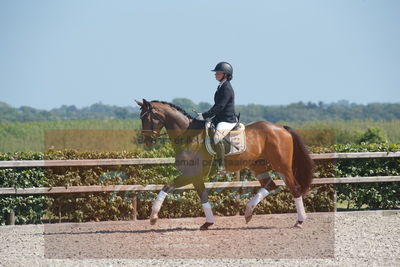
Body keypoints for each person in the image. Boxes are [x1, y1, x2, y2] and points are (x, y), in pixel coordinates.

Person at [202, 62, 237, 172]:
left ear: (225, 75)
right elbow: (216, 105)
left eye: (218, 72)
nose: (215, 74)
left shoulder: (226, 88)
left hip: (227, 120)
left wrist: (205, 115)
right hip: (219, 118)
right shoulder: (221, 86)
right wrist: (205, 115)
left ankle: (221, 166)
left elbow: (220, 106)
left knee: (217, 137)